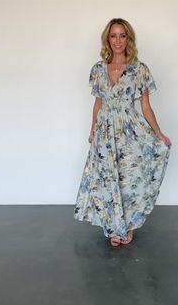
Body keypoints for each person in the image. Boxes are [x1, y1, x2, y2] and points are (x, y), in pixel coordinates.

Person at [74, 18, 172, 247]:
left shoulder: (139, 69)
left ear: (129, 39)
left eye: (122, 35)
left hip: (129, 130)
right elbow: (98, 103)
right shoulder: (98, 69)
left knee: (128, 179)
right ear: (107, 40)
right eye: (113, 35)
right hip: (104, 133)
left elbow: (145, 107)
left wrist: (158, 134)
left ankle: (127, 226)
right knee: (108, 180)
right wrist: (92, 130)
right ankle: (113, 228)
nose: (118, 40)